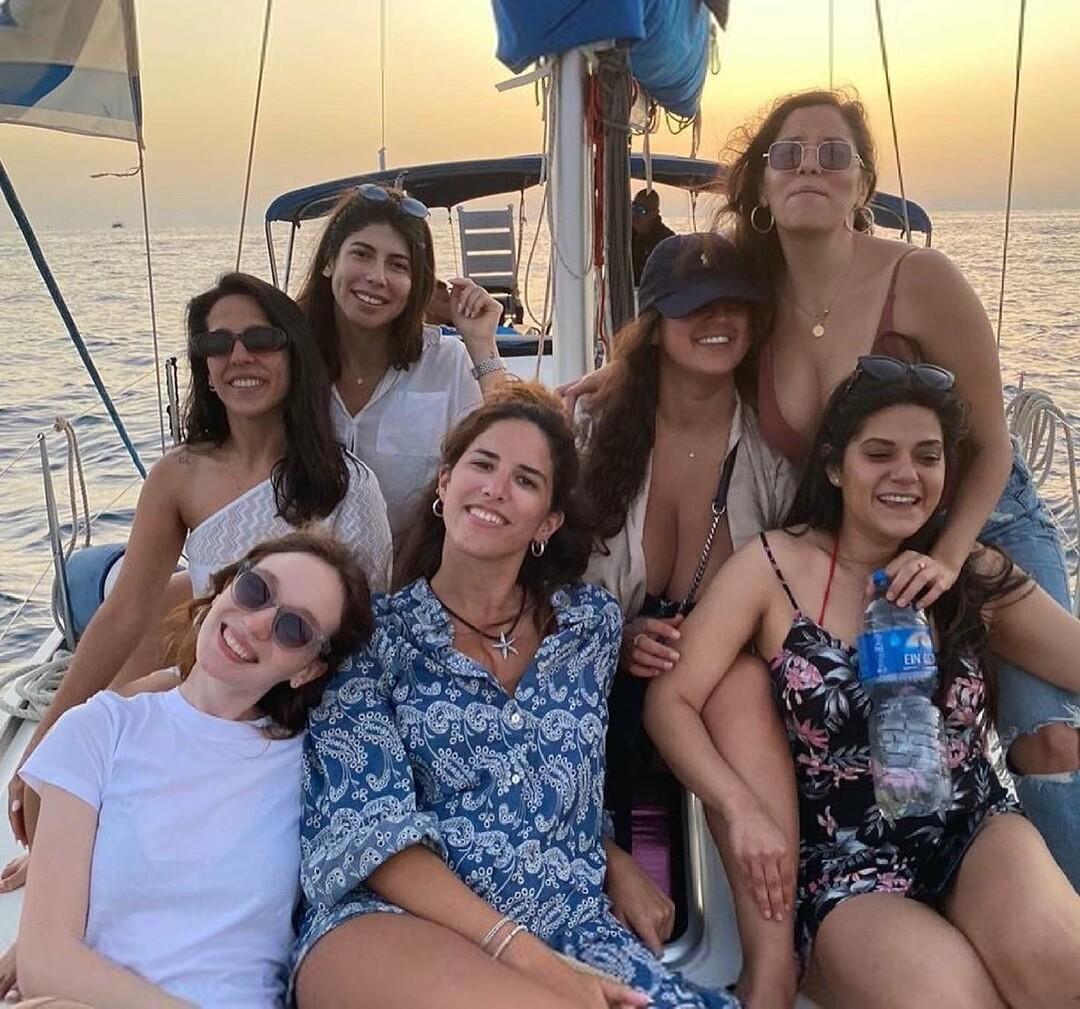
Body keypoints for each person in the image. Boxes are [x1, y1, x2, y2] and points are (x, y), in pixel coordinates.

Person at [565, 89, 1080, 887]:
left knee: (1048, 739)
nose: (811, 166)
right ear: (763, 184)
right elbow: (695, 342)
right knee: (893, 745)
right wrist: (629, 370)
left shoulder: (920, 278)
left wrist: (949, 556)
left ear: (862, 182)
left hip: (975, 516)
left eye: (833, 154)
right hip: (870, 539)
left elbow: (992, 446)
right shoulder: (759, 296)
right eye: (790, 154)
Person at [645, 361, 1080, 1008]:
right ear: (834, 467)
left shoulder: (966, 571)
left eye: (927, 457)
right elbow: (670, 700)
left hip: (974, 828)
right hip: (849, 869)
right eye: (880, 454)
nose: (907, 474)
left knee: (1063, 971)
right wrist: (737, 807)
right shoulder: (773, 568)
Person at [292, 386, 739, 1009]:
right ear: (445, 484)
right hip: (408, 927)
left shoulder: (590, 627)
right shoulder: (374, 639)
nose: (496, 489)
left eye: (526, 481)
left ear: (548, 523)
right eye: (482, 464)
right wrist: (532, 961)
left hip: (574, 926)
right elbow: (371, 834)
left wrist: (608, 856)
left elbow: (554, 787)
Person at [4, 272, 392, 896]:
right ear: (205, 368)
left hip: (303, 708)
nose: (239, 357)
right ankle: (71, 853)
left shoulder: (348, 486)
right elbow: (125, 611)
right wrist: (45, 739)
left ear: (294, 352)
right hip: (206, 691)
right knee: (88, 775)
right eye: (218, 344)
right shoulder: (179, 476)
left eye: (260, 339)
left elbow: (367, 636)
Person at [15, 531, 376, 1008]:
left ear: (307, 671)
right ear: (224, 586)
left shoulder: (316, 765)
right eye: (255, 590)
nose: (258, 623)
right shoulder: (99, 730)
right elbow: (45, 960)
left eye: (294, 629)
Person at [579, 232, 798, 1005]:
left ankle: (772, 967)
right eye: (695, 305)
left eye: (736, 304)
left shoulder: (772, 451)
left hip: (722, 692)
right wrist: (615, 637)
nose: (719, 319)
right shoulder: (591, 433)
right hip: (601, 682)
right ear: (654, 324)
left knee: (738, 682)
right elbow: (541, 589)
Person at [296, 183, 514, 539]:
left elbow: (512, 448)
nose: (377, 277)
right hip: (299, 571)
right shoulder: (290, 359)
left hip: (414, 571)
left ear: (416, 283)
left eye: (398, 265)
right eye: (362, 254)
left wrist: (481, 344)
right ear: (329, 261)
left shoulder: (445, 364)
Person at [631, 189, 675, 285]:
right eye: (633, 208)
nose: (634, 215)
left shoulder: (667, 242)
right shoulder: (625, 236)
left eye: (641, 211)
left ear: (654, 213)